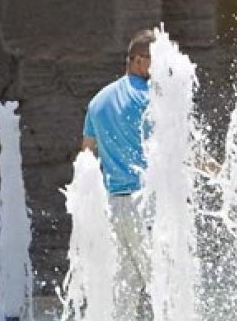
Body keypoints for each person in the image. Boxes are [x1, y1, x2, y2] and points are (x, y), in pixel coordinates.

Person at [81, 29, 155, 320]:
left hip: (116, 206)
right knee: (165, 281)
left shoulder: (97, 102)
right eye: (156, 61)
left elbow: (85, 156)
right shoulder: (150, 98)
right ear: (138, 61)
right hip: (146, 205)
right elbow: (181, 147)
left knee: (125, 289)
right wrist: (220, 173)